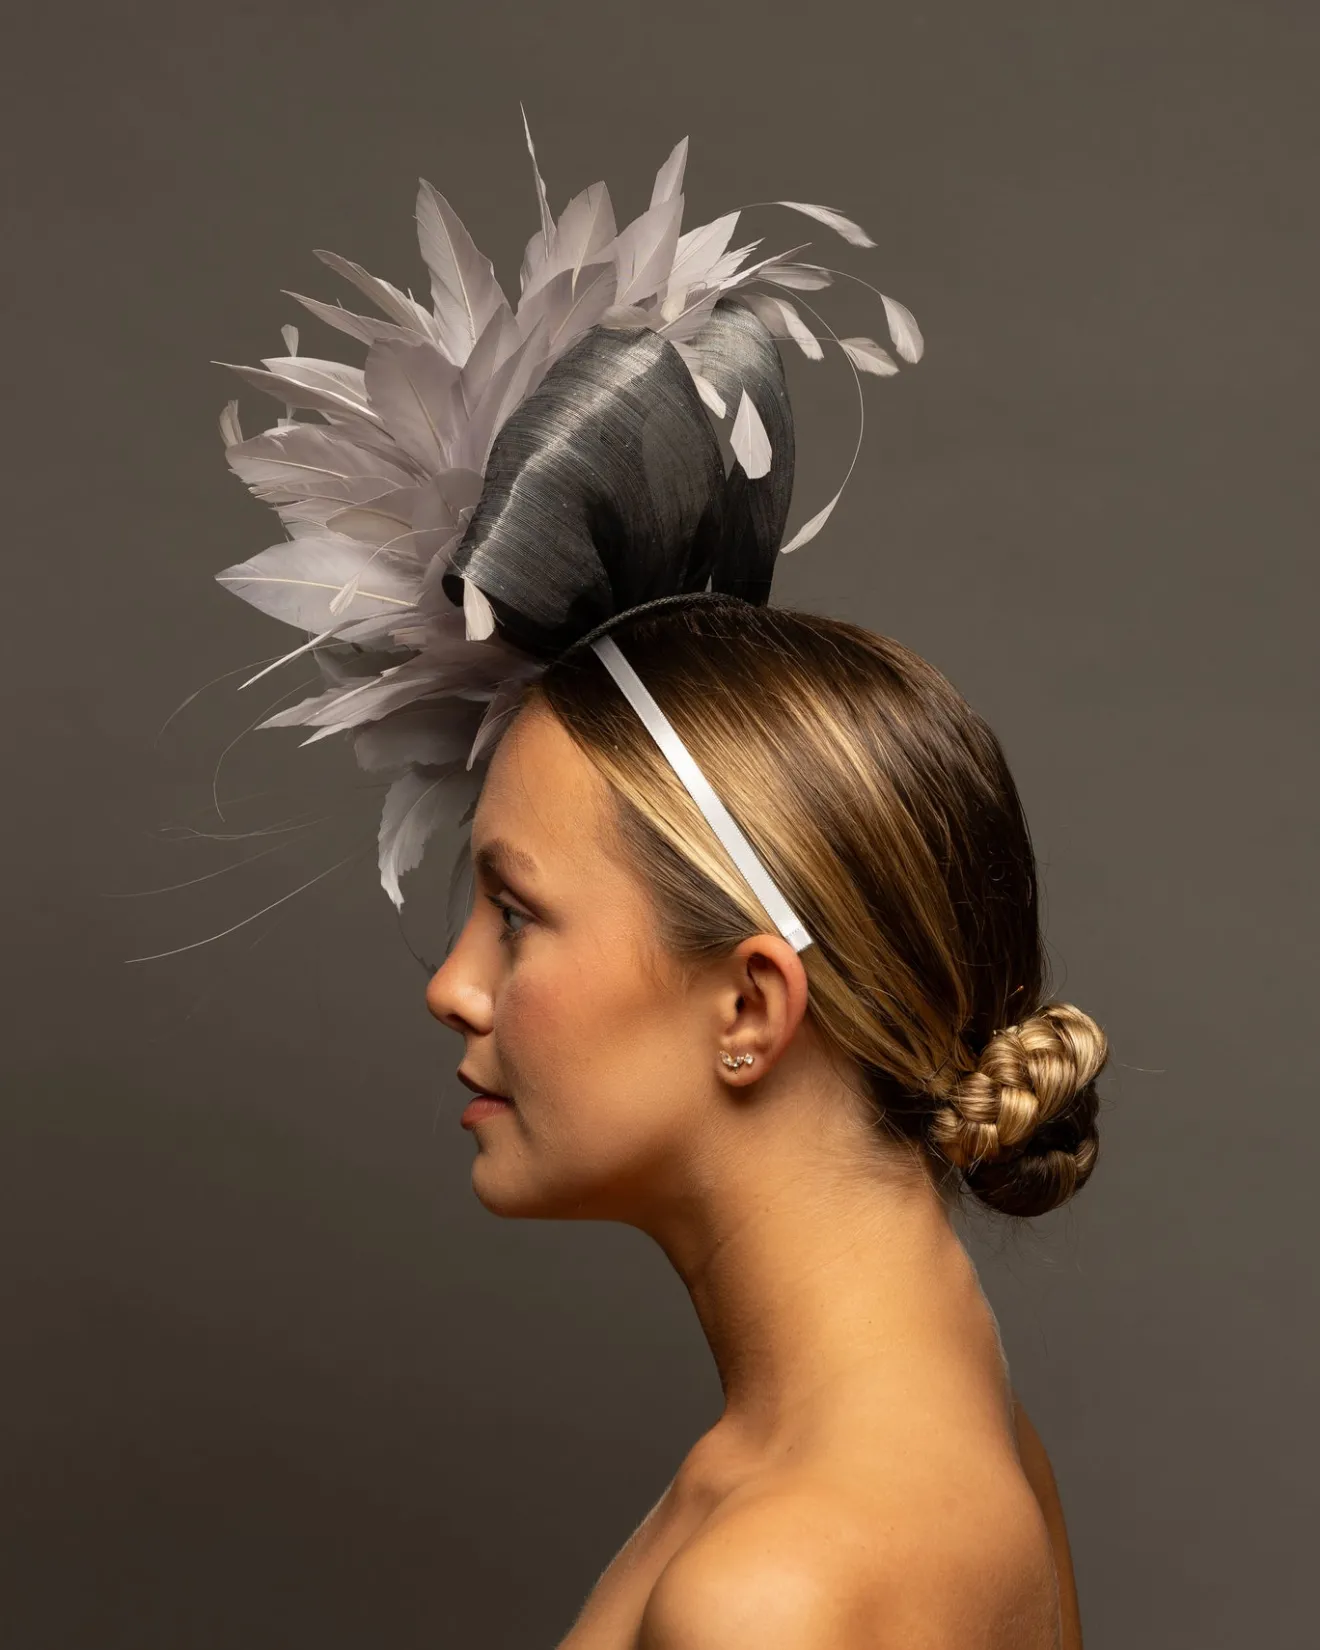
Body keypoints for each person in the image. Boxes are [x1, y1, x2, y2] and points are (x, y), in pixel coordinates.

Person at [211, 123, 1106, 1647]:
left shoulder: (772, 1588)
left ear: (751, 1003)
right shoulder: (946, 1419)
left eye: (517, 911)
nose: (453, 985)